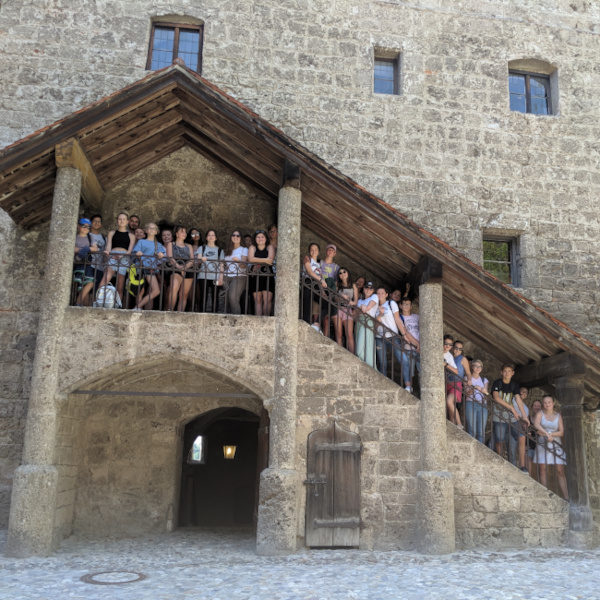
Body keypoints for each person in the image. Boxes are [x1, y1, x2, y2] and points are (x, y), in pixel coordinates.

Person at [491, 363, 530, 471]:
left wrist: (525, 416)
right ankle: (500, 459)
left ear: (512, 373)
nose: (507, 373)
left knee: (522, 436)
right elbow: (496, 398)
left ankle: (522, 466)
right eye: (505, 371)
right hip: (499, 416)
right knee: (499, 439)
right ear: (501, 372)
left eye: (509, 371)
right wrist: (512, 408)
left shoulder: (514, 385)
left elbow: (518, 400)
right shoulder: (497, 383)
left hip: (511, 418)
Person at [533, 395, 568, 500]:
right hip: (543, 443)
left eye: (549, 402)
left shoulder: (558, 416)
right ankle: (545, 495)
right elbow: (536, 426)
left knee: (560, 470)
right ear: (543, 404)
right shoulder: (540, 414)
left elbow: (561, 432)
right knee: (542, 469)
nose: (547, 404)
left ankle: (566, 497)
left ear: (553, 403)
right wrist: (546, 434)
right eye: (545, 403)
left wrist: (550, 434)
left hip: (555, 443)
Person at [99, 211, 135, 303]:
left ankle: (118, 305)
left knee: (120, 284)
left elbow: (130, 250)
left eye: (124, 219)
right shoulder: (111, 233)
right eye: (120, 219)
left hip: (124, 257)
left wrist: (122, 255)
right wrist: (109, 254)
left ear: (127, 222)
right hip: (113, 256)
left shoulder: (131, 235)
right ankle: (99, 300)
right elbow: (108, 246)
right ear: (117, 221)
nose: (121, 221)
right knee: (105, 279)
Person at [374, 287, 407, 378]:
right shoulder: (374, 306)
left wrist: (404, 334)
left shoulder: (391, 303)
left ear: (387, 294)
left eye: (382, 293)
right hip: (379, 337)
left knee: (403, 359)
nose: (380, 295)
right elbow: (375, 326)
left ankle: (408, 385)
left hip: (392, 336)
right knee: (382, 362)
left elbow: (397, 319)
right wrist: (380, 315)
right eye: (378, 293)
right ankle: (383, 381)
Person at [132, 223, 166, 311]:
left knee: (155, 291)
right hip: (142, 267)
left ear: (156, 232)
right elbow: (134, 252)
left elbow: (163, 258)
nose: (151, 230)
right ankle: (138, 308)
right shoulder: (141, 241)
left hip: (151, 269)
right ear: (146, 231)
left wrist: (161, 255)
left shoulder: (158, 244)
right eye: (149, 228)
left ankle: (138, 307)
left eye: (154, 228)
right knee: (141, 291)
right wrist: (138, 253)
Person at [76, 214, 106, 306]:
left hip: (100, 267)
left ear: (101, 224)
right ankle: (80, 305)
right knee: (87, 286)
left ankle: (87, 308)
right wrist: (88, 249)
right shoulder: (86, 235)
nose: (97, 223)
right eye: (95, 221)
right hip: (89, 264)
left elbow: (98, 249)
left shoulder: (103, 237)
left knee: (95, 291)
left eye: (99, 221)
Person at [167, 225, 194, 311]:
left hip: (187, 268)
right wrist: (179, 267)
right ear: (176, 234)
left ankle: (180, 313)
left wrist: (184, 268)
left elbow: (192, 260)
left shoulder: (189, 246)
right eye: (182, 231)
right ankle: (170, 311)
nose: (184, 233)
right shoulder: (171, 244)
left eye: (185, 232)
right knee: (174, 287)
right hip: (176, 267)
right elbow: (170, 258)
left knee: (184, 294)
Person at [195, 229, 224, 312]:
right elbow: (198, 259)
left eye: (213, 235)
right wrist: (201, 258)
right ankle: (201, 315)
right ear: (206, 238)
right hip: (203, 275)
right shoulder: (202, 248)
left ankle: (214, 315)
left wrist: (221, 278)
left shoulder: (219, 250)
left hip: (215, 276)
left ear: (216, 238)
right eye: (209, 235)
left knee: (215, 297)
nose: (211, 237)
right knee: (203, 297)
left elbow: (222, 265)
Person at [248, 230, 274, 316]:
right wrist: (265, 260)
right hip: (256, 275)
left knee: (267, 299)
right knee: (258, 300)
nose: (260, 239)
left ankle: (266, 320)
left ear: (266, 238)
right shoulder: (252, 247)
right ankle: (258, 320)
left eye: (262, 237)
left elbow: (270, 260)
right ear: (255, 239)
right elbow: (250, 259)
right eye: (258, 237)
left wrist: (257, 261)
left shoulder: (270, 247)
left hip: (268, 275)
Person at [446, 340, 472, 428]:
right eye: (456, 348)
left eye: (460, 349)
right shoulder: (448, 356)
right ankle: (452, 428)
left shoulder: (463, 359)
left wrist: (469, 380)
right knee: (450, 410)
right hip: (447, 384)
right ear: (453, 348)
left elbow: (468, 372)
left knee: (449, 401)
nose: (457, 350)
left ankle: (460, 424)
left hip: (456, 384)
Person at [464, 359, 489, 443]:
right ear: (472, 367)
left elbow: (486, 394)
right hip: (471, 403)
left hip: (482, 405)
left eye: (480, 366)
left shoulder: (484, 380)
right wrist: (474, 388)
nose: (478, 368)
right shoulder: (467, 378)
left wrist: (480, 389)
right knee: (472, 430)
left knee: (481, 432)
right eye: (476, 366)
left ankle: (480, 453)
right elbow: (467, 394)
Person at [301, 242, 326, 329]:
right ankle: (306, 326)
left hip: (316, 286)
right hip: (308, 282)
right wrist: (321, 280)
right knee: (307, 306)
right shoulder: (307, 258)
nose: (313, 251)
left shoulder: (319, 265)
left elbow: (320, 277)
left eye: (315, 249)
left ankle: (316, 323)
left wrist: (322, 291)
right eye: (311, 249)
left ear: (318, 252)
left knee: (326, 305)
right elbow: (310, 272)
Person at [223, 229, 248, 314]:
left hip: (239, 276)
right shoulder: (227, 249)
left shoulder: (244, 249)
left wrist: (238, 261)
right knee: (226, 299)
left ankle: (236, 320)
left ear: (241, 238)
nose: (235, 237)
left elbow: (244, 265)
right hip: (226, 276)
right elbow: (223, 264)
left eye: (238, 235)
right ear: (231, 237)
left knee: (233, 297)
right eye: (233, 235)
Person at [334, 267, 358, 353]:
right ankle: (340, 354)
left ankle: (352, 355)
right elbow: (334, 298)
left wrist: (350, 301)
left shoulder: (353, 285)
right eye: (340, 273)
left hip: (348, 310)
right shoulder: (337, 284)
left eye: (344, 272)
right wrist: (341, 297)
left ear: (348, 273)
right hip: (338, 309)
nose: (342, 274)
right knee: (339, 334)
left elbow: (355, 301)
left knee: (349, 335)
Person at [355, 282, 378, 368]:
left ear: (373, 290)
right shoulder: (360, 300)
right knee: (359, 343)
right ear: (364, 289)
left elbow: (367, 308)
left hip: (368, 322)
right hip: (359, 322)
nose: (368, 290)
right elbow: (356, 313)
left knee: (363, 346)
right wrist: (361, 307)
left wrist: (362, 307)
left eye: (371, 288)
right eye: (366, 288)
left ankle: (370, 366)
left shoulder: (374, 297)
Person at [399, 298, 420, 392]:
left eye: (408, 304)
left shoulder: (417, 317)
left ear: (411, 306)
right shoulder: (400, 318)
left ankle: (423, 389)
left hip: (420, 347)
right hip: (408, 347)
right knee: (409, 369)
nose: (406, 306)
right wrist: (417, 344)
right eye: (404, 304)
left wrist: (421, 345)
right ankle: (409, 387)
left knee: (422, 370)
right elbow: (405, 332)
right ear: (400, 306)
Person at [443, 336, 460, 424]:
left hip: (453, 383)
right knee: (448, 404)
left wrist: (446, 365)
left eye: (450, 345)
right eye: (446, 343)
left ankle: (459, 425)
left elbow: (456, 371)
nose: (447, 346)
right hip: (445, 383)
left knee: (449, 402)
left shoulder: (449, 355)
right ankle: (453, 424)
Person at [527, 398, 542, 477]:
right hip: (530, 445)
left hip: (540, 446)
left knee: (541, 468)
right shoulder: (528, 418)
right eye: (535, 405)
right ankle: (529, 480)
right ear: (532, 407)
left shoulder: (543, 419)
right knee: (528, 463)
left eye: (538, 406)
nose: (537, 407)